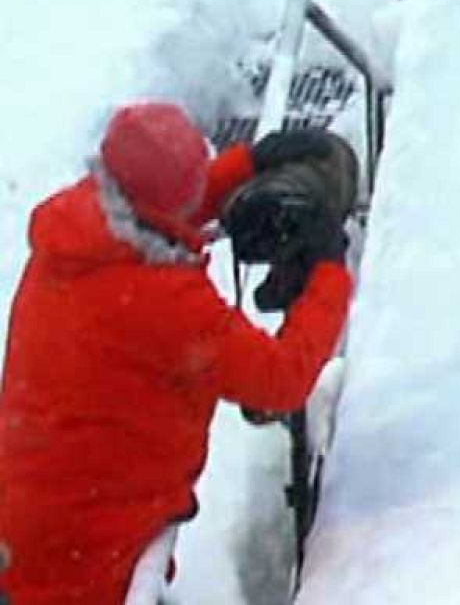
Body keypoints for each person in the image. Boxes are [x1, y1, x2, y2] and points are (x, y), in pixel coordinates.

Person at [0, 102, 353, 604]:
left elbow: (162, 205)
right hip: (91, 551)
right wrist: (329, 271)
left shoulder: (80, 228)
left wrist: (248, 164)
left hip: (34, 514)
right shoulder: (165, 304)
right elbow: (280, 380)